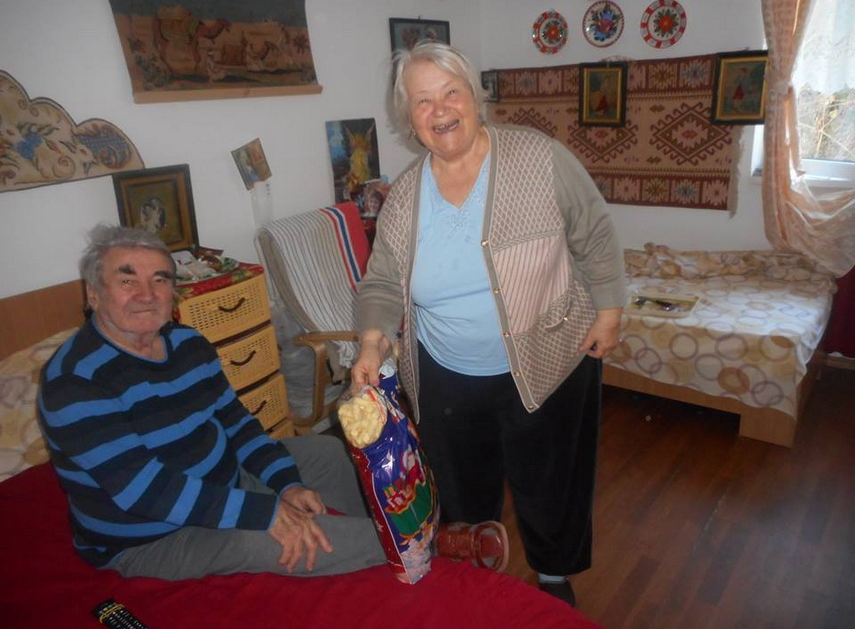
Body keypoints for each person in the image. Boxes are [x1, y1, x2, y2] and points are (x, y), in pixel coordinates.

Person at [37, 224, 508, 581]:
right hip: (149, 534)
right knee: (269, 540)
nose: (147, 294)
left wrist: (285, 484)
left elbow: (237, 426)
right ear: (93, 293)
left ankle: (384, 524)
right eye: (127, 280)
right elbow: (147, 492)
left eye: (160, 280)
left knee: (326, 453)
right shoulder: (75, 382)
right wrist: (267, 513)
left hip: (219, 478)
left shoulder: (187, 344)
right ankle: (425, 546)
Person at [351, 41, 627, 606]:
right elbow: (381, 283)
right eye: (422, 100)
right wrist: (371, 344)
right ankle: (474, 573)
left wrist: (610, 310)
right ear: (409, 117)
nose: (440, 109)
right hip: (446, 373)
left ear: (475, 97)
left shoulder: (539, 158)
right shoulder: (403, 197)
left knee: (550, 480)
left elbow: (593, 231)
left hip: (549, 356)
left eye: (450, 92)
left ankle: (554, 575)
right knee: (460, 490)